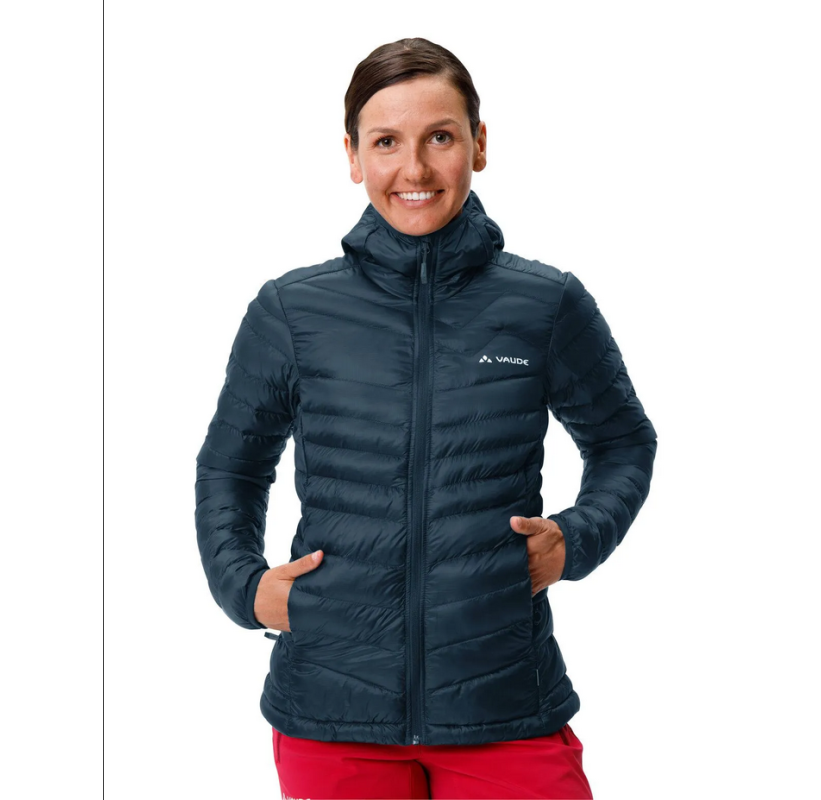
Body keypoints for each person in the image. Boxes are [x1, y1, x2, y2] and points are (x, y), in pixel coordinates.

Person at [195, 37, 657, 800]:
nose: (413, 169)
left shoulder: (545, 304)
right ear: (352, 156)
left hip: (503, 701)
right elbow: (231, 467)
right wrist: (241, 587)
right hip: (330, 709)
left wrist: (575, 540)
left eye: (439, 137)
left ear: (479, 144)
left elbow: (622, 442)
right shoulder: (291, 311)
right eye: (385, 142)